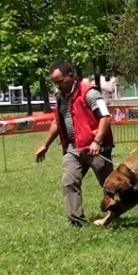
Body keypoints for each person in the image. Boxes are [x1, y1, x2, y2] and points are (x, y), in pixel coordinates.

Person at [35, 60, 114, 228]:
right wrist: (45, 145)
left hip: (95, 149)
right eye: (55, 83)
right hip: (73, 149)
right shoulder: (60, 98)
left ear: (71, 76)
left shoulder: (90, 93)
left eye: (60, 82)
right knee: (69, 182)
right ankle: (76, 221)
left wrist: (97, 141)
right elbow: (57, 122)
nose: (58, 86)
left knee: (112, 185)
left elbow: (105, 117)